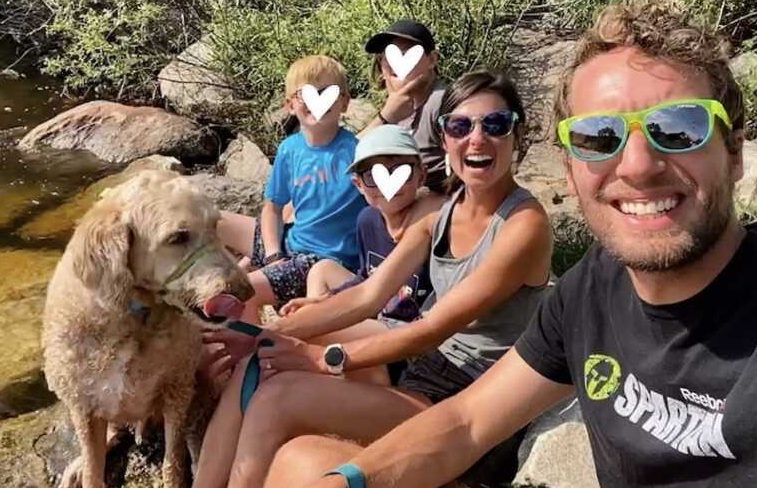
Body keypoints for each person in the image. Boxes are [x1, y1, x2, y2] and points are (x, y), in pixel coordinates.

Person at [270, 0, 757, 488]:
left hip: (442, 383)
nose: (639, 165)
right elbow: (467, 421)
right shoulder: (591, 289)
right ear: (570, 168)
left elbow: (433, 334)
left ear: (736, 153)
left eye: (679, 126)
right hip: (437, 386)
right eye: (599, 137)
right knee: (302, 464)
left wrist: (324, 355)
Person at [193, 70, 553, 488]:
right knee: (264, 369)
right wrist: (268, 334)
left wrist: (321, 358)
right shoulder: (444, 214)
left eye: (495, 124)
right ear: (444, 137)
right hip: (422, 379)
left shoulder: (524, 225)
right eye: (460, 125)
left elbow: (433, 328)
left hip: (469, 404)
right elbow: (366, 295)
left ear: (516, 133)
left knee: (278, 399)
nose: (477, 138)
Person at [216, 55, 367, 325]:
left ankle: (254, 356)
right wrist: (273, 255)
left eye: (327, 93)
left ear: (344, 103)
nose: (316, 101)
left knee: (245, 291)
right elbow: (272, 208)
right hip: (288, 244)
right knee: (212, 221)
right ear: (289, 105)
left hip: (320, 260)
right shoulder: (290, 149)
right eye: (305, 94)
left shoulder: (356, 153)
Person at [283, 124, 444, 322]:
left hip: (409, 326)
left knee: (315, 330)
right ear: (358, 185)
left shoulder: (430, 224)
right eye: (372, 176)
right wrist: (324, 301)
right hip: (375, 309)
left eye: (401, 171)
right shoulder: (367, 220)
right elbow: (366, 277)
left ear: (421, 176)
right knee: (322, 269)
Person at [360, 19, 448, 194]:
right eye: (388, 56)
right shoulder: (394, 107)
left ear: (432, 60)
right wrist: (386, 117)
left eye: (407, 54)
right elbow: (346, 159)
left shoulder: (442, 102)